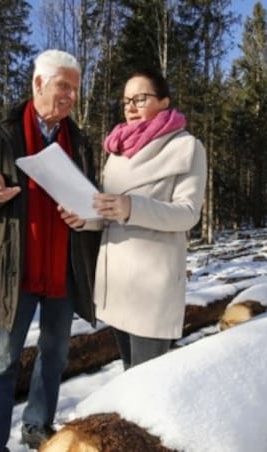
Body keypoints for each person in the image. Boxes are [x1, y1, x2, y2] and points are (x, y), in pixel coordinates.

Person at [0, 49, 100, 452]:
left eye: (76, 88)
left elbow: (92, 200)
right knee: (2, 364)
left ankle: (37, 425)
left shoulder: (80, 140)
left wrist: (85, 217)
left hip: (63, 269)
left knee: (54, 357)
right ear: (38, 83)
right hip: (11, 270)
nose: (72, 96)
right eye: (64, 86)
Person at [62, 68, 207, 370]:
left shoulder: (186, 147)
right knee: (129, 375)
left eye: (140, 99)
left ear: (164, 102)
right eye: (126, 100)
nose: (130, 107)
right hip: (116, 280)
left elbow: (188, 214)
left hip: (151, 284)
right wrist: (85, 219)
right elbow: (111, 213)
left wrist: (132, 208)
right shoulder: (118, 151)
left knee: (148, 384)